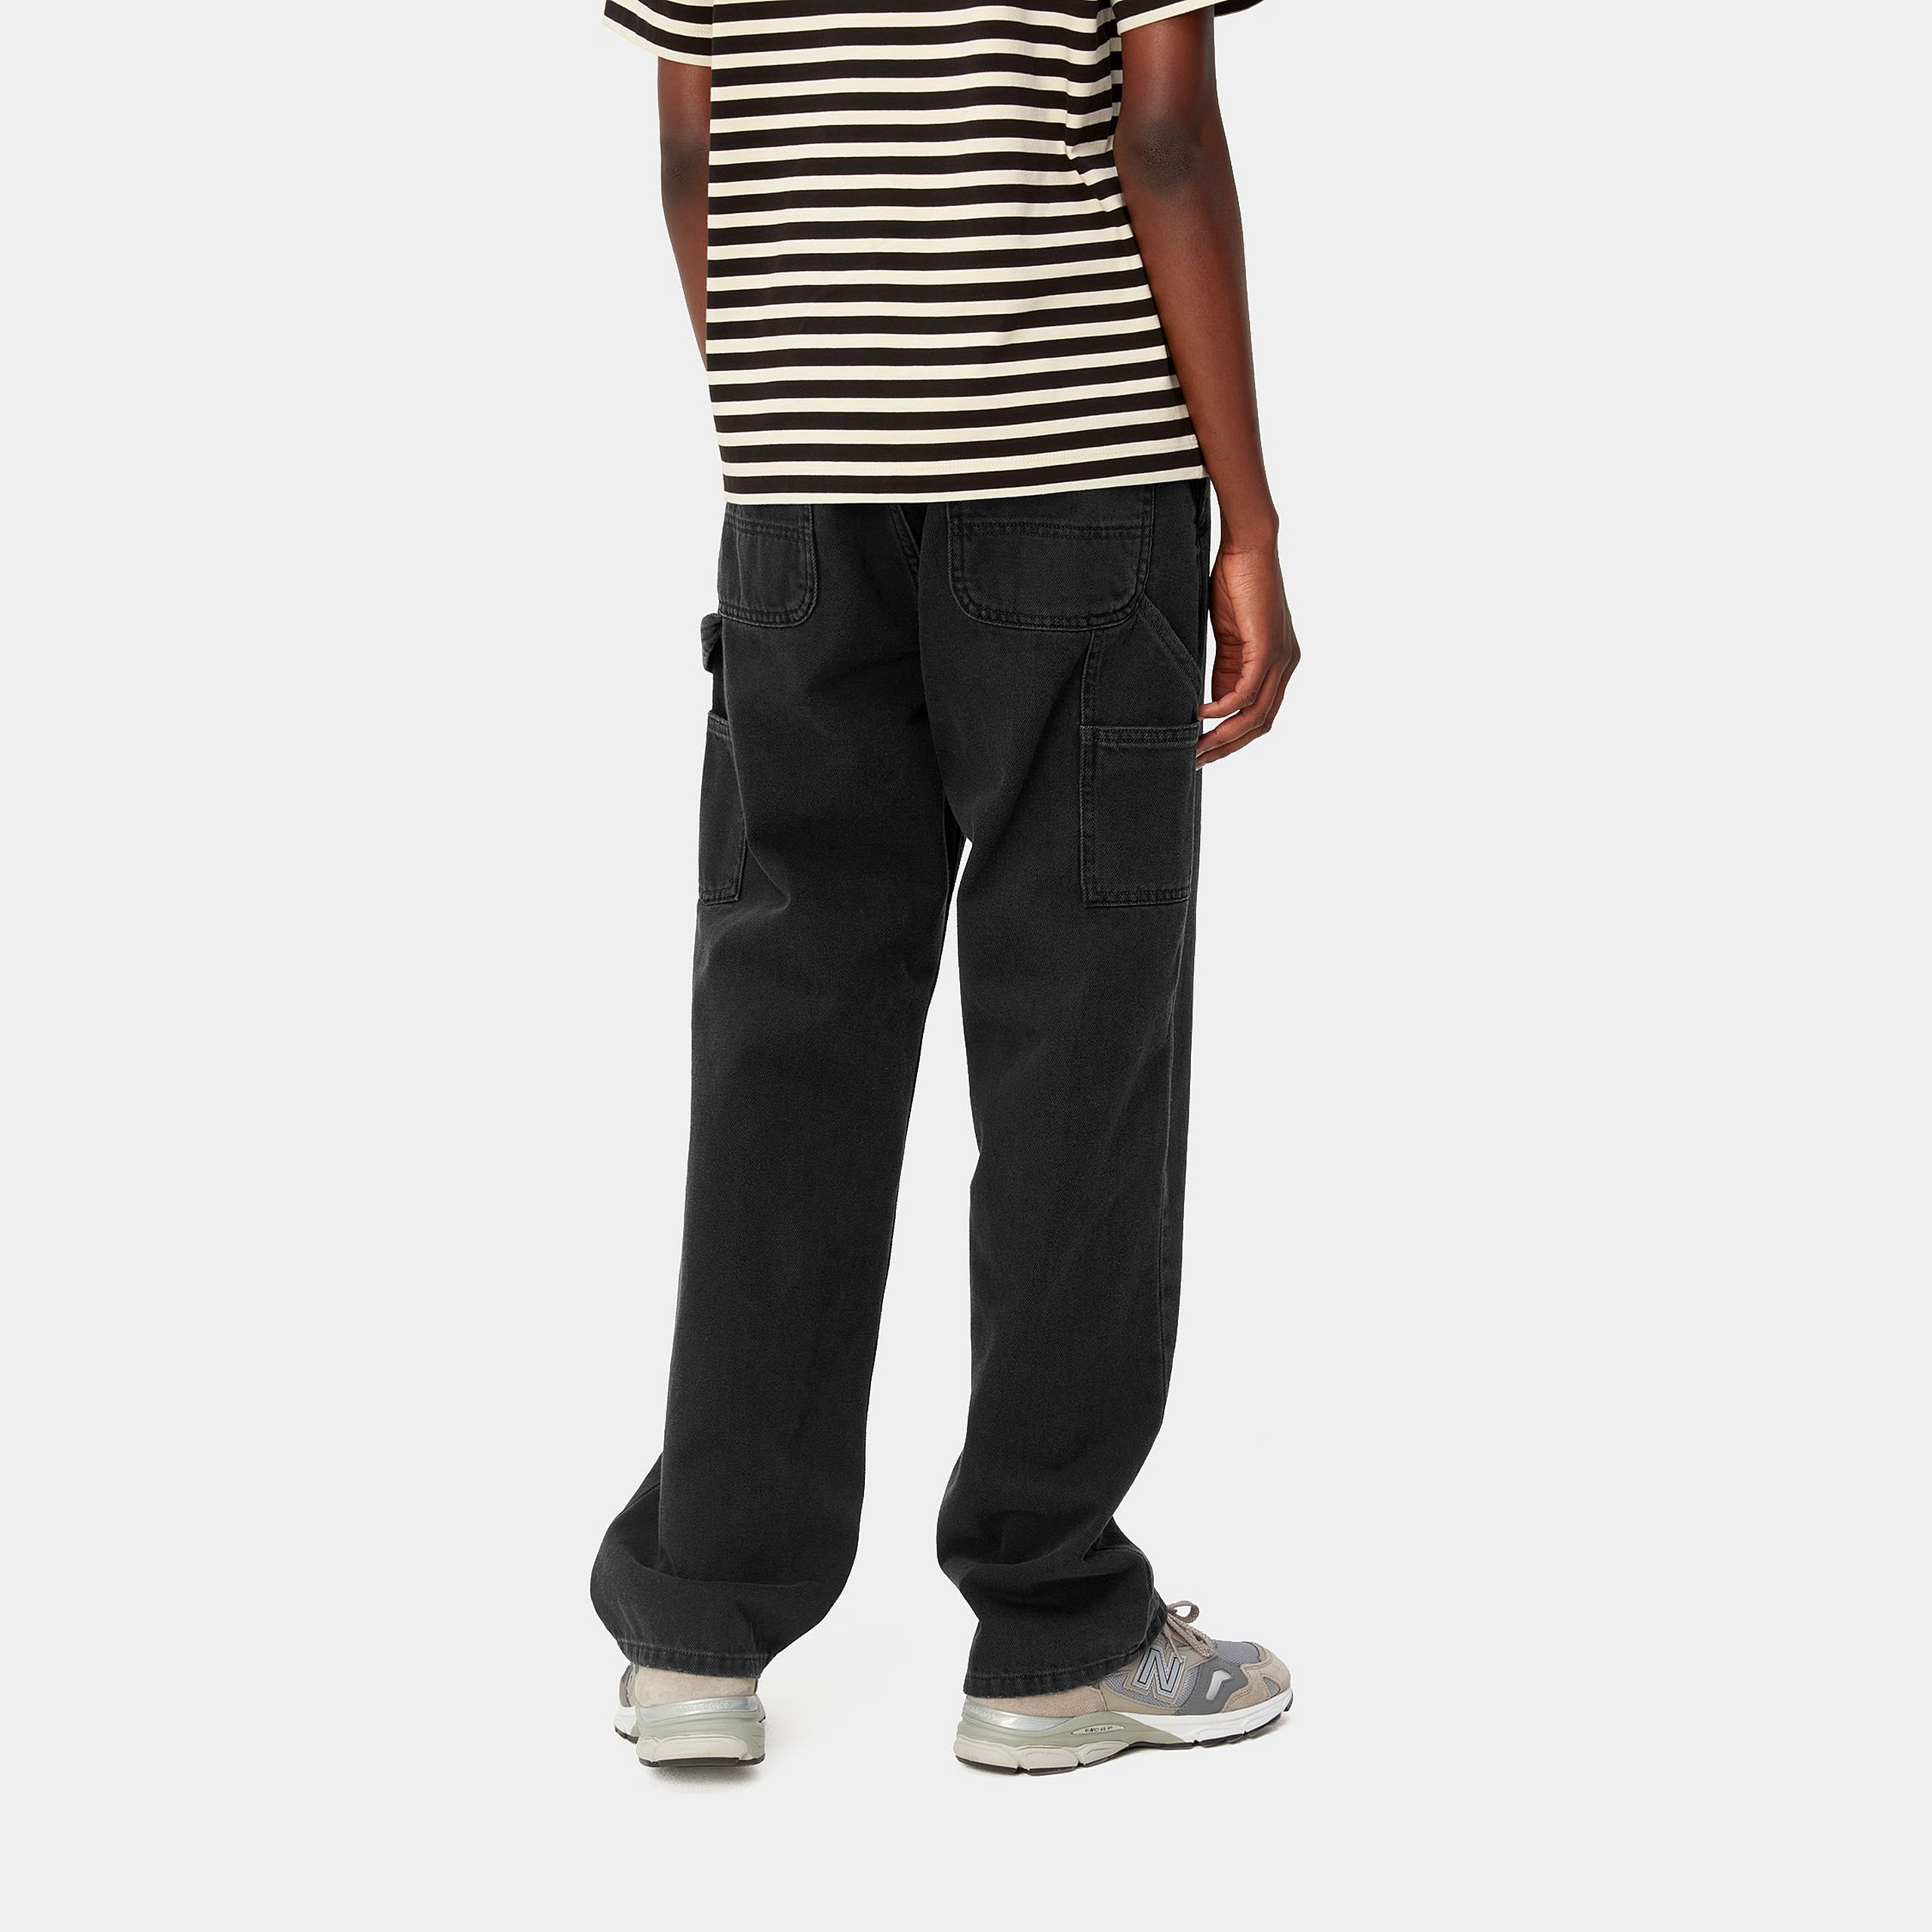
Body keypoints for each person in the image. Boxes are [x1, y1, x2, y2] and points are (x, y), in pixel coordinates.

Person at [592, 0, 1302, 1774]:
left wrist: (799, 419)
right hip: (1075, 477)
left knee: (785, 1043)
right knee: (1077, 1049)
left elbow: (690, 150)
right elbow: (1160, 138)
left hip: (797, 502)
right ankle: (1051, 1626)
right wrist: (1251, 516)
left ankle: (698, 1625)